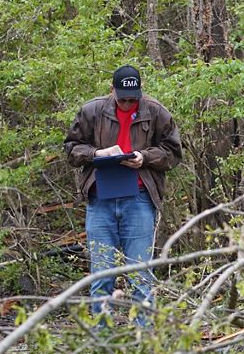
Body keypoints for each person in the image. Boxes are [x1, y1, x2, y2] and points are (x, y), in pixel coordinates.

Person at [63, 64, 181, 324]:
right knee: (101, 275)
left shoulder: (156, 112)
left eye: (133, 98)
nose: (128, 104)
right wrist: (97, 154)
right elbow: (71, 149)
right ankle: (103, 345)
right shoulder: (92, 111)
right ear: (112, 91)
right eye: (123, 98)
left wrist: (145, 157)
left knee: (140, 275)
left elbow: (173, 152)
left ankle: (143, 346)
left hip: (139, 200)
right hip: (101, 198)